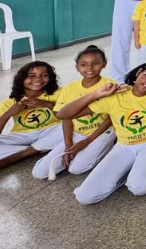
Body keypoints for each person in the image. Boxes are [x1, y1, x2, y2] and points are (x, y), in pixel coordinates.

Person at [61, 61, 146, 205]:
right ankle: (135, 169)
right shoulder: (116, 94)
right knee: (85, 197)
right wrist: (96, 94)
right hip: (125, 145)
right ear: (139, 72)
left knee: (139, 187)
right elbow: (64, 114)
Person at [32, 46, 116, 180]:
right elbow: (66, 117)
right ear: (77, 67)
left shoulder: (110, 86)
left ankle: (108, 149)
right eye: (84, 64)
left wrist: (87, 141)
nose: (90, 68)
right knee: (39, 173)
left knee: (76, 169)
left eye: (96, 63)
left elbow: (111, 118)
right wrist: (68, 145)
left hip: (103, 130)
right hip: (77, 131)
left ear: (104, 64)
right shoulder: (70, 88)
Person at [0, 61, 62, 171]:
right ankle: (38, 148)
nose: (38, 79)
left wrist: (46, 104)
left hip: (51, 129)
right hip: (23, 135)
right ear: (21, 79)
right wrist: (9, 113)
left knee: (69, 128)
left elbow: (70, 115)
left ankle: (21, 154)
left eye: (44, 75)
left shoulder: (59, 93)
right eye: (31, 76)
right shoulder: (11, 101)